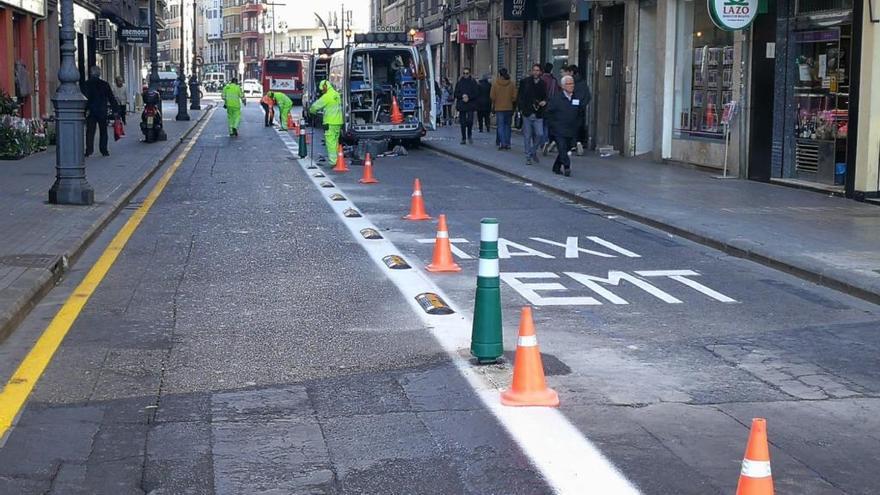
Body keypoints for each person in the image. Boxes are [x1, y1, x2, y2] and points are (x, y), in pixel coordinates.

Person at [544, 75, 585, 177]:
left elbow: (581, 113)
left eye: (572, 83)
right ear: (563, 86)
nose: (571, 86)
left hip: (571, 130)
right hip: (559, 130)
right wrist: (553, 126)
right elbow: (548, 113)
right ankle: (567, 166)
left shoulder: (577, 98)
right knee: (562, 148)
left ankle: (556, 166)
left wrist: (578, 125)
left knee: (566, 149)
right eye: (569, 84)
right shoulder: (556, 99)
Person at [81, 66, 119, 157]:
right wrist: (115, 110)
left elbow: (84, 99)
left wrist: (83, 111)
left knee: (90, 132)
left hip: (91, 111)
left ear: (91, 73)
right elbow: (111, 97)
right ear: (99, 74)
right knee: (103, 131)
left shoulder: (87, 84)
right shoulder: (105, 84)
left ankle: (89, 150)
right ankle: (104, 150)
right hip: (102, 110)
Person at [516, 64, 547, 165]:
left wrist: (544, 102)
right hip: (527, 113)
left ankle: (533, 150)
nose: (535, 72)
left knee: (540, 134)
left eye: (537, 70)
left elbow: (546, 97)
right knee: (527, 136)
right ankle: (528, 156)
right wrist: (521, 109)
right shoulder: (525, 82)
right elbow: (520, 96)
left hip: (538, 113)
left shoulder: (543, 83)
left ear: (540, 72)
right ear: (531, 71)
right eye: (534, 70)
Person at [308, 80, 343, 166]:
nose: (322, 91)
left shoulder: (327, 96)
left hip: (330, 122)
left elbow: (315, 106)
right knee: (335, 141)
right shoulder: (336, 94)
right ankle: (337, 160)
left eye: (322, 89)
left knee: (330, 142)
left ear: (325, 87)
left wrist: (312, 111)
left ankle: (333, 161)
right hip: (338, 122)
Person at [566, 64, 591, 155]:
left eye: (568, 72)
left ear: (571, 72)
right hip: (581, 109)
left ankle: (573, 144)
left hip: (572, 109)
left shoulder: (571, 83)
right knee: (578, 126)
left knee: (570, 126)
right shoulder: (583, 83)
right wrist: (582, 105)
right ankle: (578, 142)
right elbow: (588, 96)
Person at [489, 68, 517, 150]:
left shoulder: (495, 84)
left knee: (500, 126)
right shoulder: (511, 84)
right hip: (509, 108)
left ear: (499, 75)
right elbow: (514, 97)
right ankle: (508, 143)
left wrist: (497, 101)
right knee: (507, 126)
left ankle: (503, 143)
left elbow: (492, 96)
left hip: (499, 108)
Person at [454, 68, 479, 144]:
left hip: (470, 104)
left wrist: (468, 97)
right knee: (463, 122)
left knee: (470, 121)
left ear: (469, 74)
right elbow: (455, 94)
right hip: (462, 105)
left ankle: (469, 135)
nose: (465, 75)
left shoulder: (473, 82)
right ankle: (463, 138)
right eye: (464, 73)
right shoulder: (459, 82)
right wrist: (462, 96)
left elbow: (476, 93)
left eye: (467, 73)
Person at [540, 62, 560, 155]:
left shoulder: (540, 80)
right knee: (547, 126)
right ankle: (546, 141)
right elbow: (556, 94)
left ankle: (543, 142)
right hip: (551, 105)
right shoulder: (554, 80)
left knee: (541, 125)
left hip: (541, 105)